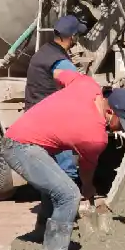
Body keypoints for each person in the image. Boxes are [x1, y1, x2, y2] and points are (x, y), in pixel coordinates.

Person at [2, 68, 125, 250]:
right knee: (69, 195)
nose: (120, 129)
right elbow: (86, 172)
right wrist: (88, 189)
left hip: (26, 139)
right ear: (110, 112)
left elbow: (58, 72)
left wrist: (61, 109)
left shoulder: (87, 84)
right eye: (121, 124)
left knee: (57, 185)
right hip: (20, 148)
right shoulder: (96, 136)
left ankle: (41, 234)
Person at [23, 14, 88, 184]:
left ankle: (48, 208)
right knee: (66, 169)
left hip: (35, 115)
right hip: (51, 120)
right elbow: (77, 89)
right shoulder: (61, 62)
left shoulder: (43, 52)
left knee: (49, 170)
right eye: (77, 36)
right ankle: (68, 204)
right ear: (72, 37)